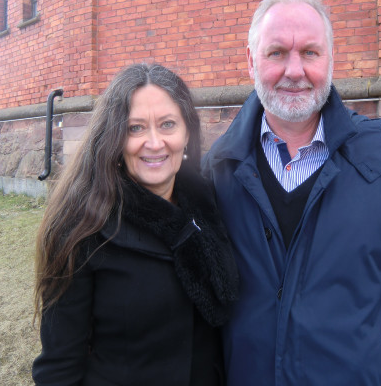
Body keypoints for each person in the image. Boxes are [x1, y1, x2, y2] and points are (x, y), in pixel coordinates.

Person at [202, 0, 381, 385]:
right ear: (251, 60)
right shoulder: (219, 170)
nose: (294, 70)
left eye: (310, 53)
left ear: (330, 60)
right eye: (276, 53)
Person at [32, 63, 239, 386]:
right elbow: (59, 367)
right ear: (114, 138)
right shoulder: (82, 229)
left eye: (168, 124)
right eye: (135, 128)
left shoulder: (208, 204)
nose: (154, 143)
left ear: (187, 133)